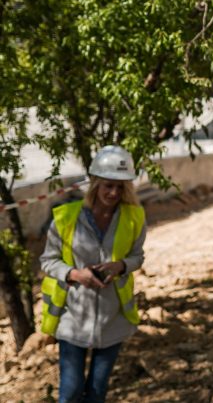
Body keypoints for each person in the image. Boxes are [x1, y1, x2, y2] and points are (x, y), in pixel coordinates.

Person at [39, 145, 146, 403]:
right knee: (71, 392)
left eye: (121, 187)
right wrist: (75, 274)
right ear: (95, 183)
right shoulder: (65, 218)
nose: (114, 192)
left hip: (113, 320)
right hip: (73, 319)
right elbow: (48, 261)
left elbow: (137, 256)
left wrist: (120, 266)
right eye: (108, 185)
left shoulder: (134, 217)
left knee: (97, 393)